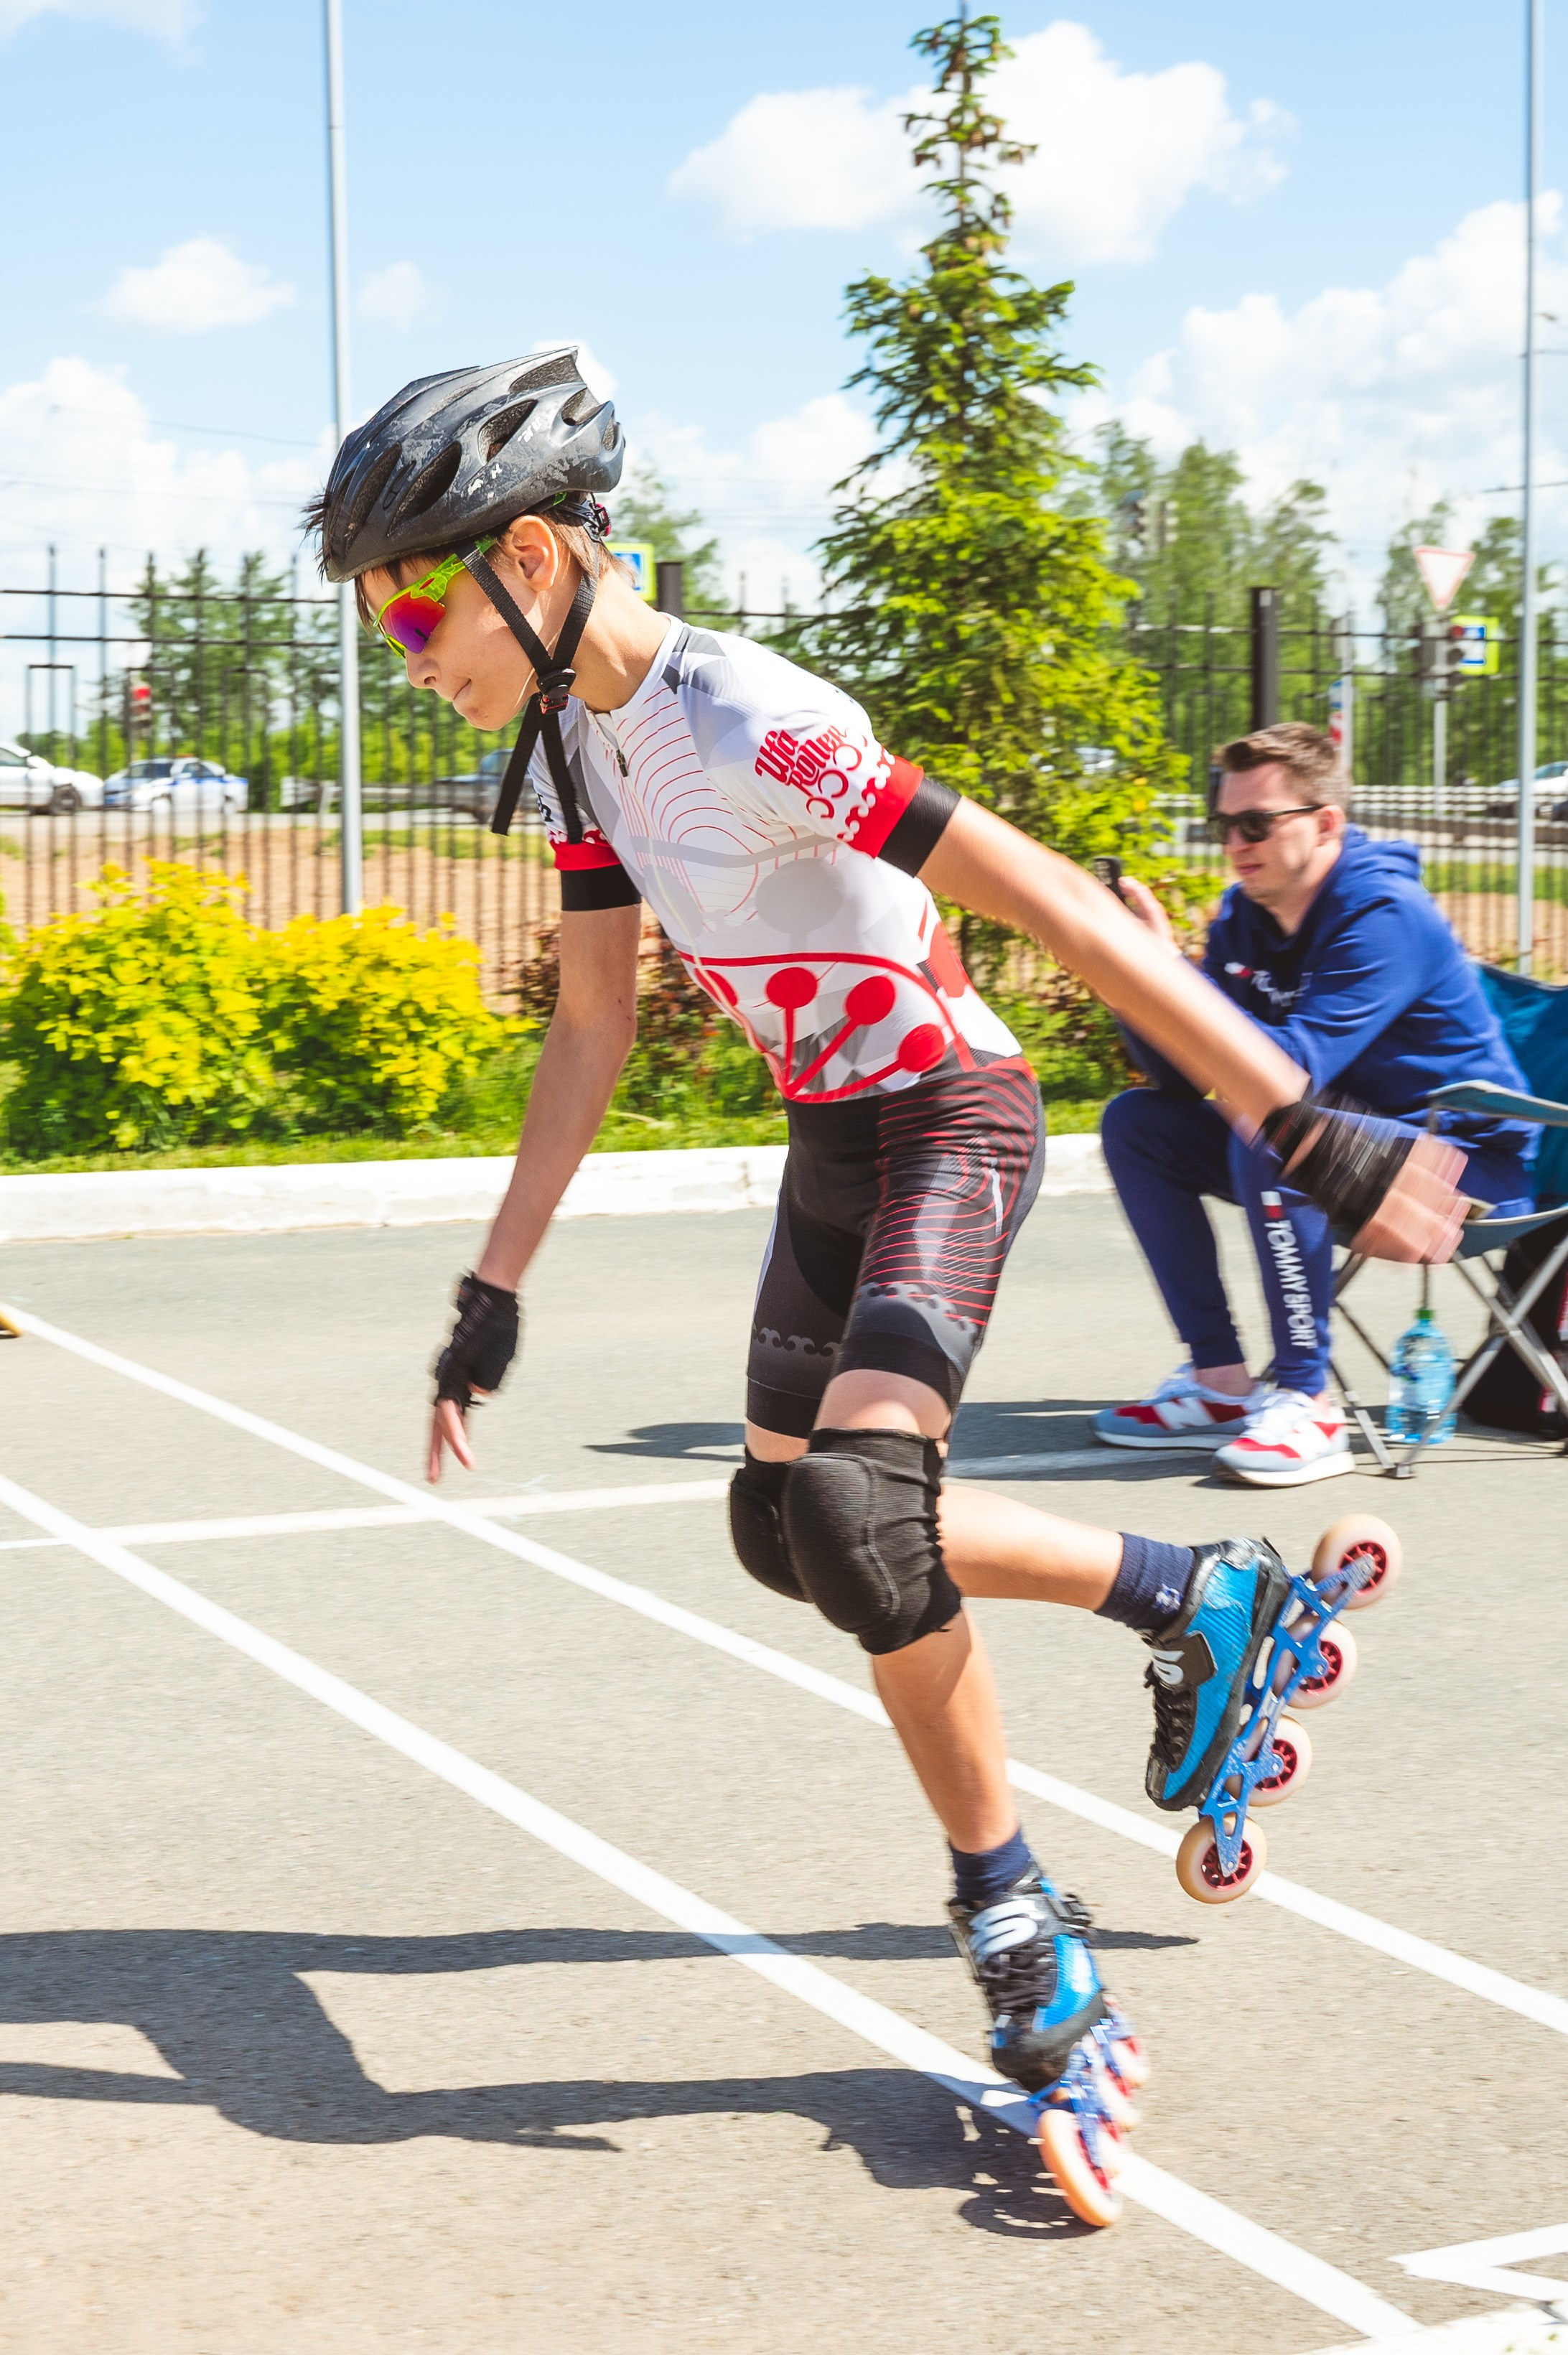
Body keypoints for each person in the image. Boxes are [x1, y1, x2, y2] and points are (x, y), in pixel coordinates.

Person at [305, 353, 1469, 2204]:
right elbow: (593, 1022)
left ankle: (1027, 1945)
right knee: (790, 1529)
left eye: (416, 601)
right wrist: (495, 1285)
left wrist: (1309, 1135)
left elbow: (1064, 913)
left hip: (952, 1110)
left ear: (530, 555)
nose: (402, 644)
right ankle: (1204, 1604)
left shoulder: (744, 712)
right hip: (838, 1138)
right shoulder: (581, 745)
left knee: (859, 1508)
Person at [1096, 724, 1538, 1484]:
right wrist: (1131, 982)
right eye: (1225, 824)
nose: (1235, 841)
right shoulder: (1247, 917)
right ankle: (1220, 1381)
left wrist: (1169, 971)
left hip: (1467, 1170)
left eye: (1256, 823)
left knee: (1271, 1128)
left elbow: (1287, 1075)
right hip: (1351, 1144)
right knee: (1137, 1125)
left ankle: (1307, 1397)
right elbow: (1179, 1078)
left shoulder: (1385, 912)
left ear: (1324, 823)